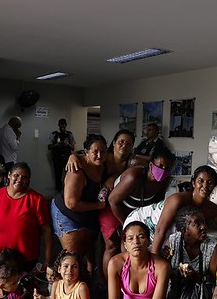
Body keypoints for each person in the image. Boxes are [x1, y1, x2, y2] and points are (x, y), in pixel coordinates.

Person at [125, 165, 217, 255]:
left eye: (210, 183)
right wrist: (155, 262)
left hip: (160, 238)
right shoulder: (178, 199)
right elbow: (160, 231)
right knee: (138, 262)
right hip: (140, 222)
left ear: (214, 187)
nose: (205, 186)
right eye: (201, 181)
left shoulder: (210, 208)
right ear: (193, 182)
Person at [99, 148, 175, 282]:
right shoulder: (134, 176)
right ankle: (108, 284)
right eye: (160, 166)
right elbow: (112, 200)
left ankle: (135, 282)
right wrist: (127, 225)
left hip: (137, 214)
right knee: (113, 246)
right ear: (151, 165)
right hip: (115, 209)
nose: (163, 170)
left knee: (140, 246)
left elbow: (155, 207)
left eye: (167, 168)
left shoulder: (163, 182)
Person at [0, 162, 53, 292]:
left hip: (25, 260)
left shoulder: (36, 200)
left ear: (29, 180)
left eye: (24, 177)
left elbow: (47, 231)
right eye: (16, 175)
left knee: (22, 297)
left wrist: (47, 259)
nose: (20, 180)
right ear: (9, 176)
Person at [52, 134, 108, 272]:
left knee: (89, 249)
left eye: (103, 151)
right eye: (95, 152)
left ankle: (88, 281)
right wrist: (98, 206)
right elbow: (71, 203)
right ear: (86, 153)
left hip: (88, 212)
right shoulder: (76, 169)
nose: (99, 155)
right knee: (72, 256)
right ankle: (60, 286)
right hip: (67, 212)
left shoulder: (105, 163)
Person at [47, 118, 76, 192]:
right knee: (58, 176)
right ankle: (58, 192)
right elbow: (49, 146)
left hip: (67, 158)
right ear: (58, 126)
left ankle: (68, 191)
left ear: (66, 125)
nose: (62, 128)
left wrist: (68, 144)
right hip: (57, 158)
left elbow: (73, 148)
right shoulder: (54, 134)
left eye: (63, 126)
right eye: (61, 126)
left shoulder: (69, 134)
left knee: (68, 175)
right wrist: (57, 145)